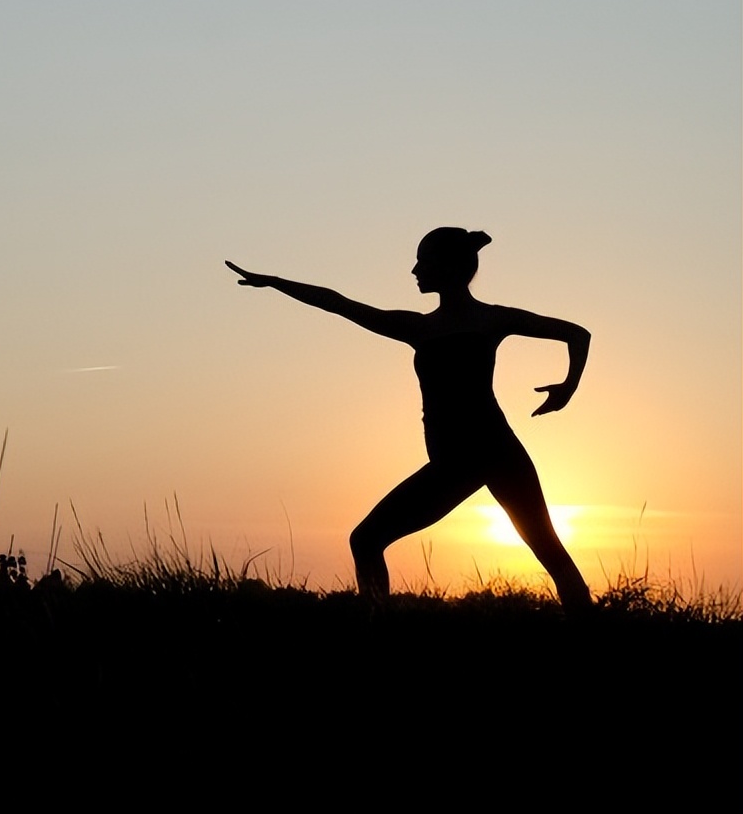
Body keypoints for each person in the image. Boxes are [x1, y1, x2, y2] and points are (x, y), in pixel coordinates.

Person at [226, 227, 592, 612]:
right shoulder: (440, 325)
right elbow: (337, 303)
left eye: (423, 261)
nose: (415, 270)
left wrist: (567, 389)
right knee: (551, 553)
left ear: (450, 268)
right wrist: (275, 283)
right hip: (491, 450)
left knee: (366, 540)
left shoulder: (446, 325)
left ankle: (378, 637)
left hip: (470, 455)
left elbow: (576, 334)